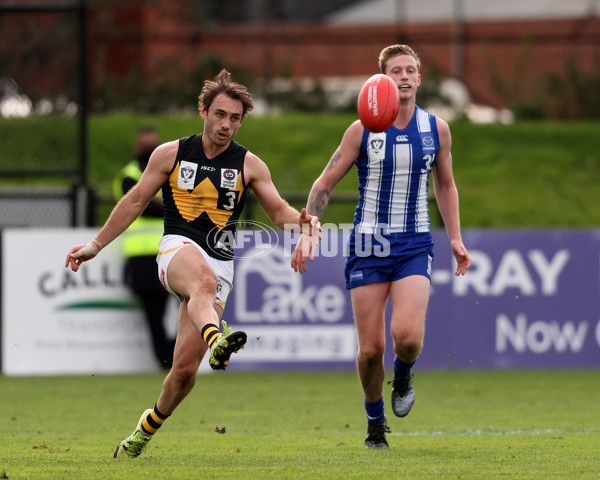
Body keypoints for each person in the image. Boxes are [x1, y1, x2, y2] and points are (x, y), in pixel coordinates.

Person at [65, 69, 320, 459]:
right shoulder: (170, 154)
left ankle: (141, 432)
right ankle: (218, 338)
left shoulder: (250, 165)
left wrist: (304, 225)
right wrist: (96, 244)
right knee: (200, 282)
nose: (226, 125)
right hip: (176, 249)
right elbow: (134, 202)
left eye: (234, 118)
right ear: (203, 110)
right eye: (220, 114)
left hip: (222, 265)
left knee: (183, 373)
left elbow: (279, 210)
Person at [291, 45, 471, 449]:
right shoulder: (361, 130)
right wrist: (309, 225)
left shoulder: (436, 129)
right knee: (371, 350)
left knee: (406, 336)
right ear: (382, 80)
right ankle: (375, 423)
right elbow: (324, 183)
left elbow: (445, 184)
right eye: (395, 71)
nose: (404, 77)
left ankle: (404, 373)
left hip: (414, 242)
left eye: (410, 70)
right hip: (368, 244)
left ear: (419, 79)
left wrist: (455, 238)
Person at [114, 126, 174, 369]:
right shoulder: (128, 174)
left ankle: (172, 354)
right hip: (142, 256)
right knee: (154, 313)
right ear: (137, 148)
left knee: (192, 303)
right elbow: (146, 206)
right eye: (146, 147)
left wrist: (158, 200)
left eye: (153, 147)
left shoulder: (170, 172)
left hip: (171, 250)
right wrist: (164, 202)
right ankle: (166, 357)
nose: (149, 152)